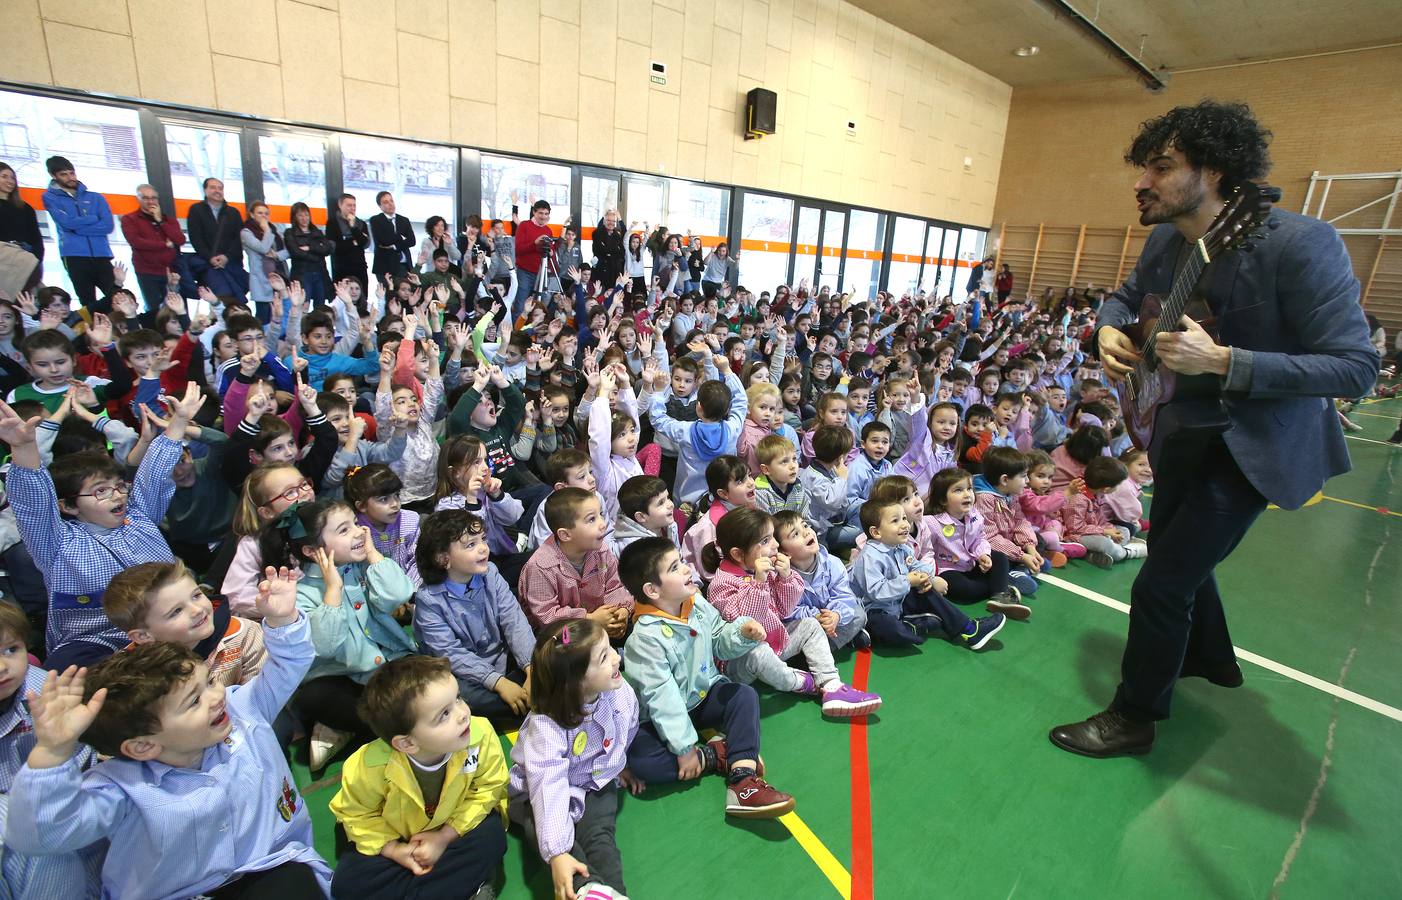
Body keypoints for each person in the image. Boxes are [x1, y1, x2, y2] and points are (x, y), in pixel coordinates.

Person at [1050, 100, 1379, 758]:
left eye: (1161, 167)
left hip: (1247, 447)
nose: (1142, 182)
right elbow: (1122, 295)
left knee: (1163, 579)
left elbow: (1355, 367)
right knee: (1180, 553)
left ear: (1217, 171)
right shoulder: (1167, 239)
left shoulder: (1300, 244)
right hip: (1179, 432)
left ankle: (1135, 715)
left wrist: (1226, 361)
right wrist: (1108, 326)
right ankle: (1211, 659)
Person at [5, 568, 332, 899]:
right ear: (144, 745)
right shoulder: (121, 787)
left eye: (209, 683)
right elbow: (40, 836)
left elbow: (289, 664)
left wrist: (283, 619)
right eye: (194, 701)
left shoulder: (243, 709)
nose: (218, 697)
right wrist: (52, 752)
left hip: (271, 869)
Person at [617, 537, 796, 819]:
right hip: (658, 718)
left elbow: (718, 639)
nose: (688, 569)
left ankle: (742, 780)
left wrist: (741, 633)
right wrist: (686, 749)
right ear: (652, 590)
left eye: (682, 561)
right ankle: (715, 756)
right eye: (675, 567)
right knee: (639, 760)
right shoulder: (643, 640)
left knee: (743, 696)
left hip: (702, 697)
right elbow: (662, 698)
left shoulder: (695, 603)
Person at [329, 655, 509, 900]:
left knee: (493, 836)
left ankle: (444, 886)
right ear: (407, 743)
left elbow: (489, 788)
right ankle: (470, 884)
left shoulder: (480, 734)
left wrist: (444, 837)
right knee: (346, 883)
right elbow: (356, 815)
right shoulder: (368, 766)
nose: (463, 714)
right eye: (444, 714)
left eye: (458, 698)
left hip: (454, 830)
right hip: (401, 839)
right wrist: (395, 850)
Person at [509, 618, 639, 900]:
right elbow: (547, 787)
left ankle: (614, 894)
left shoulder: (619, 691)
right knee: (545, 829)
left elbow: (628, 728)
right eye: (604, 657)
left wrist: (620, 763)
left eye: (611, 649)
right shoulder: (546, 726)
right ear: (575, 682)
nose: (617, 657)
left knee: (600, 839)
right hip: (538, 793)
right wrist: (556, 854)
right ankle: (585, 888)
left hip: (595, 782)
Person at [413, 509, 537, 719]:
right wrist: (498, 682)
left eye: (483, 540)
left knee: (552, 651)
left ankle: (526, 696)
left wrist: (532, 668)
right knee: (458, 698)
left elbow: (514, 621)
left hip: (502, 656)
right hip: (463, 672)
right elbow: (451, 654)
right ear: (444, 559)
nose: (483, 549)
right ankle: (526, 701)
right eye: (471, 545)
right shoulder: (428, 600)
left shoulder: (491, 572)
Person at [41, 155, 117, 309]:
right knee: (87, 302)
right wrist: (93, 218)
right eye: (64, 174)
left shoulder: (95, 198)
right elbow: (66, 223)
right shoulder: (49, 197)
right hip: (74, 256)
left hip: (101, 254)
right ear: (53, 176)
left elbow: (108, 226)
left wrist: (77, 226)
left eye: (72, 173)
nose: (70, 177)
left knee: (116, 296)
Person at [120, 184, 185, 314]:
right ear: (138, 199)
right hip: (146, 271)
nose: (150, 201)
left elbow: (180, 240)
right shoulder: (129, 219)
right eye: (145, 198)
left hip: (170, 271)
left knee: (175, 309)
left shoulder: (168, 220)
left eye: (153, 198)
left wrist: (160, 221)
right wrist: (164, 244)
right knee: (153, 309)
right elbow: (136, 242)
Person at [186, 176, 248, 300]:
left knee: (237, 297)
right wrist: (210, 257)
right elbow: (196, 238)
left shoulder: (233, 212)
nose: (217, 191)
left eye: (220, 188)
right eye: (213, 187)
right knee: (221, 297)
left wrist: (227, 257)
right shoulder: (196, 210)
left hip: (232, 263)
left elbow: (238, 239)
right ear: (205, 190)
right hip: (210, 264)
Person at [241, 201, 289, 324]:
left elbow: (287, 251)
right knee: (264, 318)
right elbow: (263, 248)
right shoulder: (246, 232)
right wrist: (266, 230)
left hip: (279, 275)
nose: (264, 216)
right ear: (252, 215)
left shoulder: (274, 230)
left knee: (282, 316)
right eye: (260, 213)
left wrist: (276, 255)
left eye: (266, 213)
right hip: (261, 279)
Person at [0, 161, 44, 289]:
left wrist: (36, 259)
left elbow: (36, 238)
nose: (10, 181)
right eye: (4, 176)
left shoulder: (25, 208)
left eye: (13, 177)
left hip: (25, 258)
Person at [284, 201, 333, 305]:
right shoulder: (290, 233)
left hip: (320, 272)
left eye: (306, 215)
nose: (304, 218)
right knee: (303, 305)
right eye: (300, 215)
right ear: (295, 217)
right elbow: (296, 252)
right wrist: (317, 256)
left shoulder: (317, 231)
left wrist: (310, 248)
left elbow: (327, 248)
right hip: (302, 274)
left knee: (320, 304)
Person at [514, 199, 554, 318]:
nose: (543, 216)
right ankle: (516, 333)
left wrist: (551, 252)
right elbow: (518, 250)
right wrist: (535, 243)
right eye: (541, 213)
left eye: (546, 214)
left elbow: (550, 249)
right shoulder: (524, 226)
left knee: (538, 307)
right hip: (524, 272)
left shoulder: (548, 230)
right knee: (521, 305)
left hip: (541, 273)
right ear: (534, 212)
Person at [368, 190, 416, 284]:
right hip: (386, 266)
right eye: (386, 202)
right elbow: (384, 241)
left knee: (406, 295)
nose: (390, 204)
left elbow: (412, 241)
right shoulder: (376, 220)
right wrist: (401, 238)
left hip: (404, 265)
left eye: (391, 201)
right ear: (380, 206)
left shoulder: (404, 220)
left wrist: (395, 246)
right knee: (390, 295)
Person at [327, 192, 371, 292]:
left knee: (362, 299)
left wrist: (353, 227)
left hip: (360, 267)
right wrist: (354, 242)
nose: (352, 208)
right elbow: (334, 248)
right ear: (340, 205)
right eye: (349, 205)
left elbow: (365, 243)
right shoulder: (332, 223)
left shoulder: (361, 223)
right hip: (342, 268)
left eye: (354, 205)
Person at [591, 208, 625, 288]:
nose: (611, 223)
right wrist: (612, 253)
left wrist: (620, 219)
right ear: (604, 221)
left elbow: (621, 253)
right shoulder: (597, 234)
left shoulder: (617, 235)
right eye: (609, 220)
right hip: (601, 272)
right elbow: (601, 251)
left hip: (614, 273)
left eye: (613, 221)